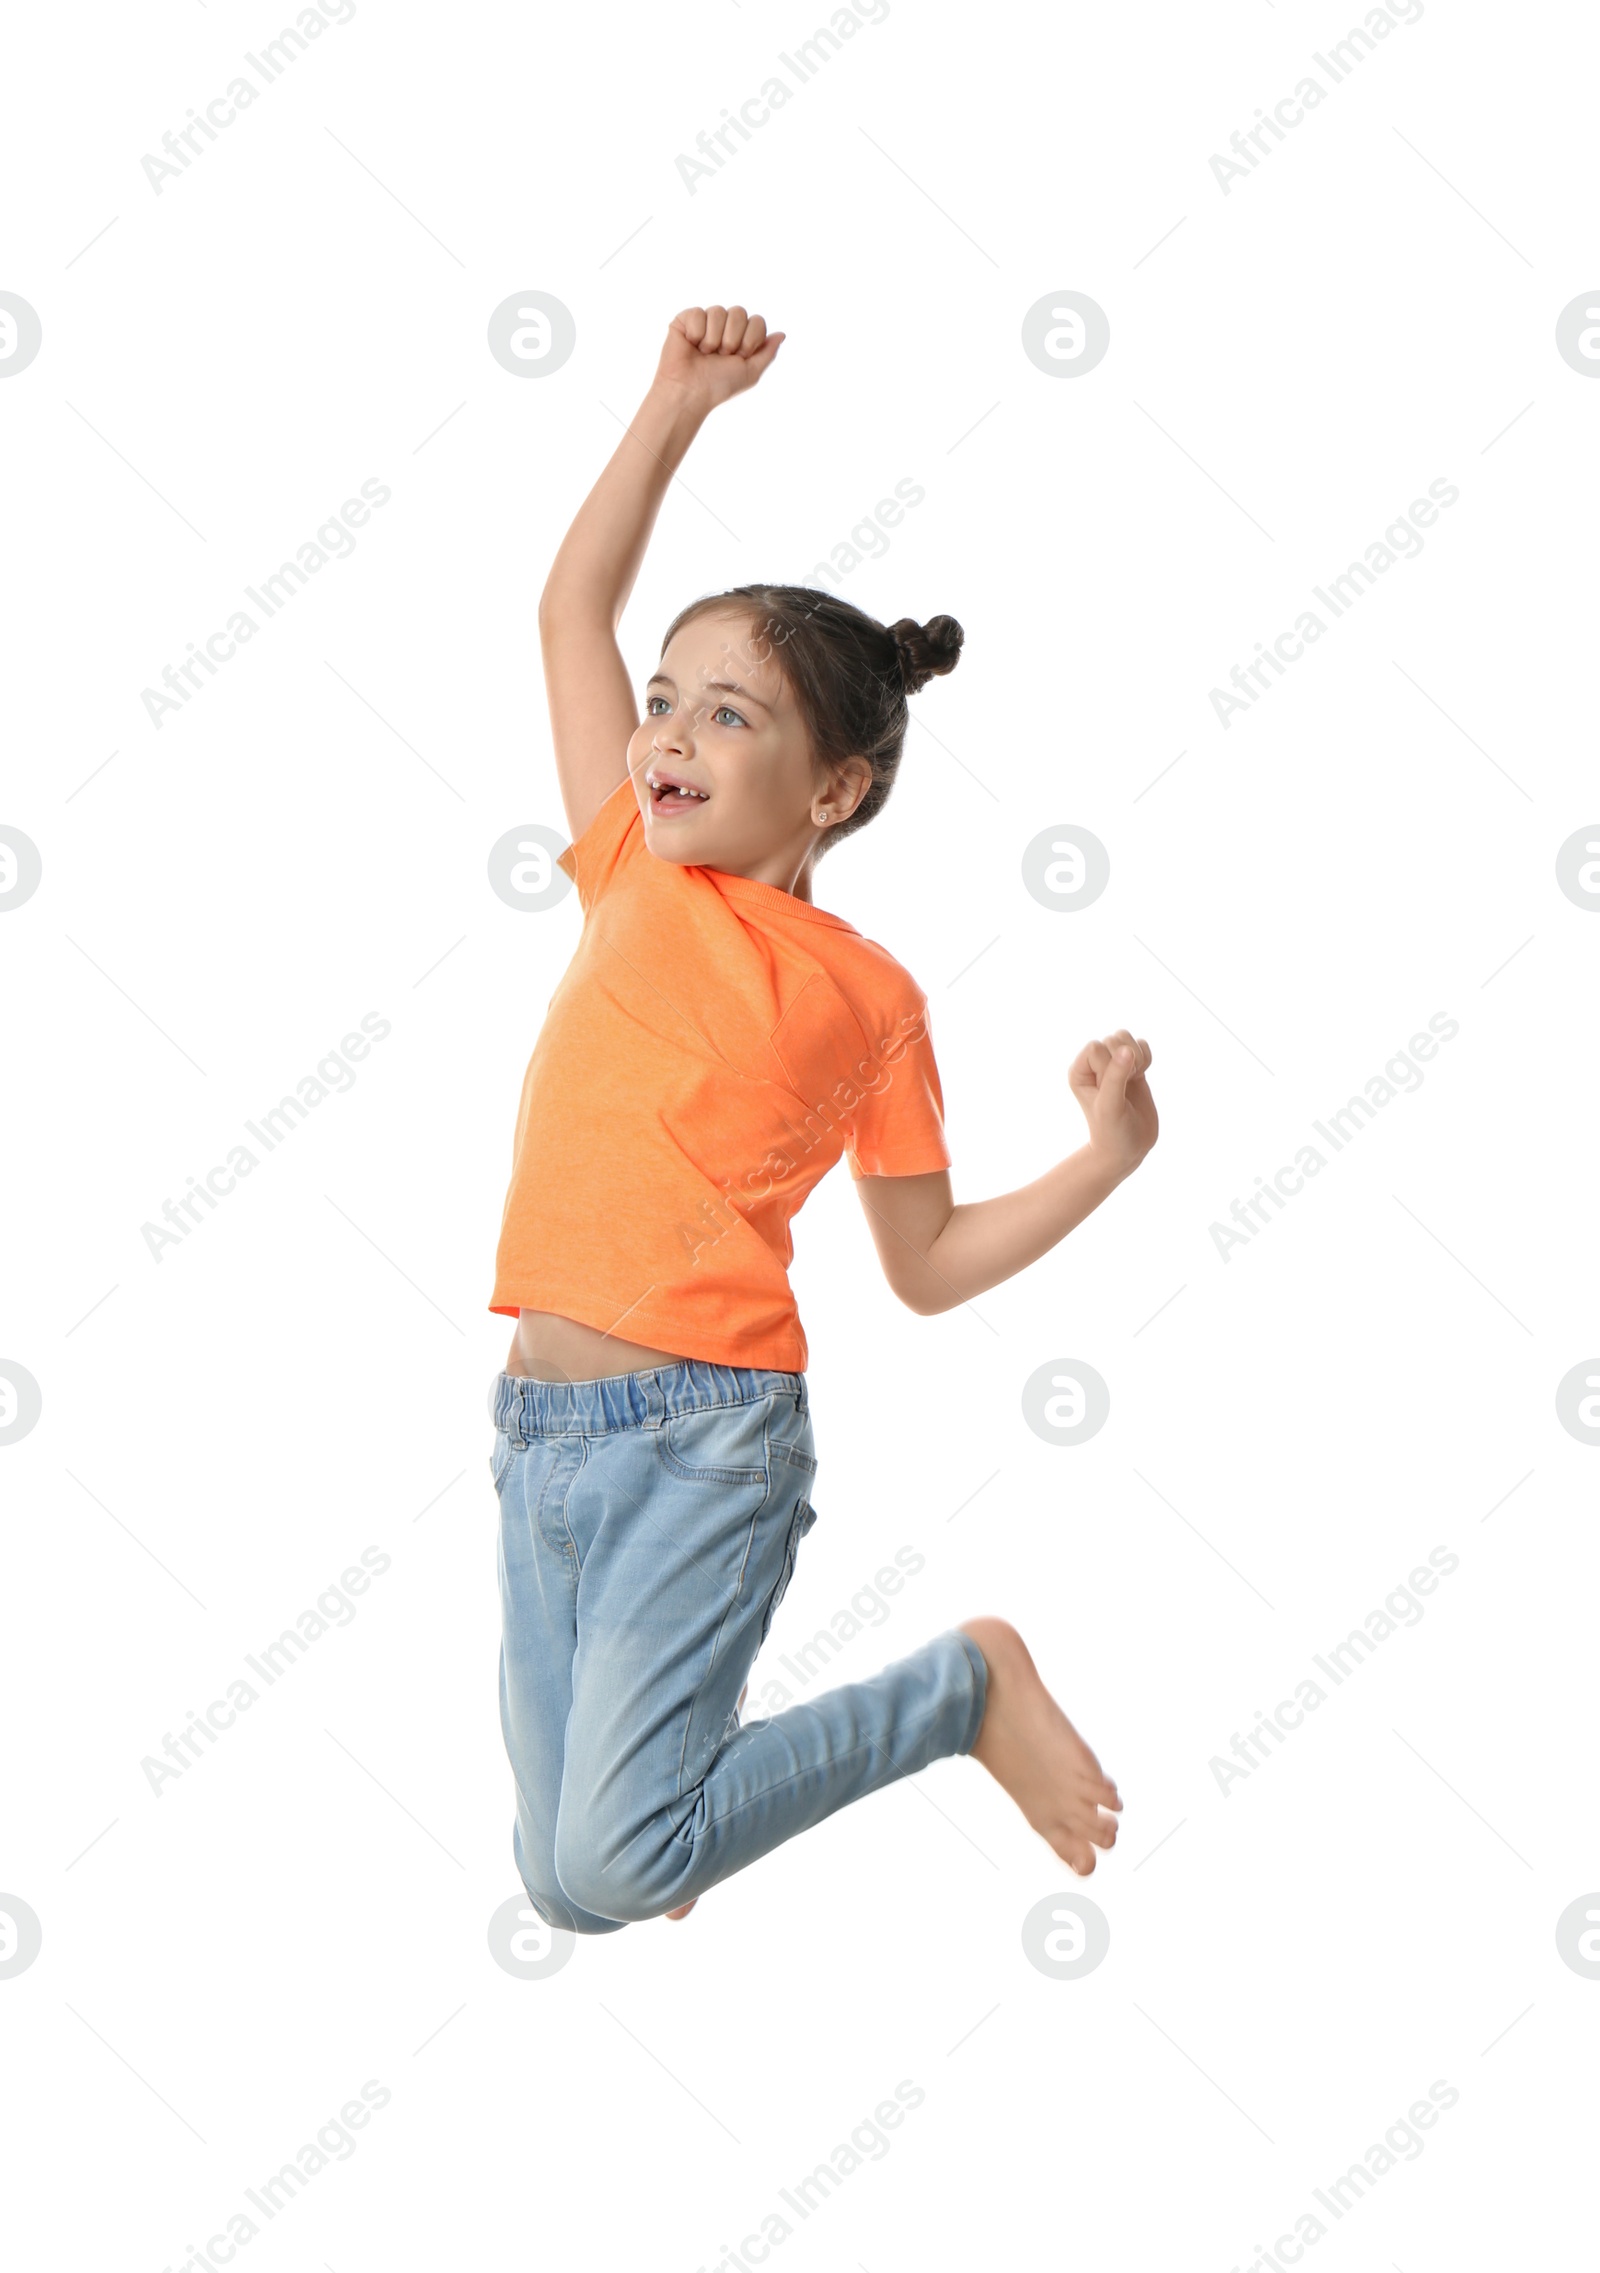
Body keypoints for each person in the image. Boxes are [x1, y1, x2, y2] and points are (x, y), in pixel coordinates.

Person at [487, 304, 1158, 1933]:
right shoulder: (628, 869)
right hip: (537, 1439)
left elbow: (923, 1258)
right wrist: (675, 403)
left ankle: (960, 1691)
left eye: (730, 712)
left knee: (608, 1864)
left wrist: (1103, 1160)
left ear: (834, 789)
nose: (668, 734)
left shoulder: (869, 997)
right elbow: (570, 604)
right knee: (567, 1881)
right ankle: (695, 1795)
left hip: (710, 1434)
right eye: (667, 700)